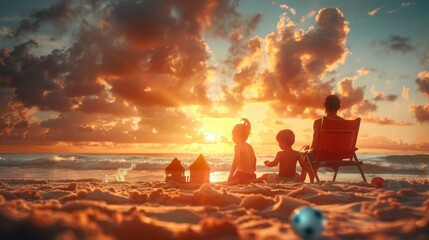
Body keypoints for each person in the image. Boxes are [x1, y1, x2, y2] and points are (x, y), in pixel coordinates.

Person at [301, 94, 344, 182]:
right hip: (339, 157)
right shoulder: (345, 123)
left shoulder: (318, 122)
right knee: (313, 153)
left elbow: (314, 145)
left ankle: (306, 180)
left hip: (322, 156)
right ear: (338, 107)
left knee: (308, 152)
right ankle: (311, 179)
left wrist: (305, 151)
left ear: (325, 106)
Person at [227, 118, 257, 184]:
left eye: (233, 135)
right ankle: (249, 181)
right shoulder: (249, 146)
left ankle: (239, 181)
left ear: (237, 135)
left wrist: (230, 175)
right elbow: (254, 159)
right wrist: (252, 170)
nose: (232, 138)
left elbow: (236, 161)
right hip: (252, 175)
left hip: (242, 175)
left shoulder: (238, 146)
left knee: (227, 183)